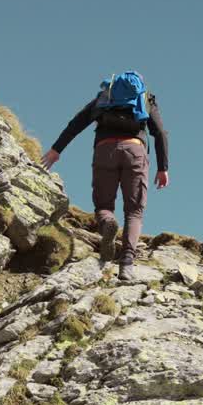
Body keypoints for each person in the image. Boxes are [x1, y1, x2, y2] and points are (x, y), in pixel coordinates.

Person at [41, 71, 169, 281]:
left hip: (105, 149)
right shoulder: (146, 99)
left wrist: (56, 150)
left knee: (104, 206)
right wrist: (162, 167)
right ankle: (126, 264)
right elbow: (160, 133)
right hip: (135, 151)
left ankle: (108, 221)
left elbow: (77, 123)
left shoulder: (105, 97)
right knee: (134, 210)